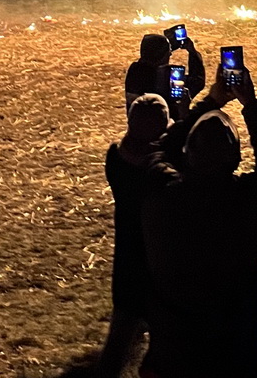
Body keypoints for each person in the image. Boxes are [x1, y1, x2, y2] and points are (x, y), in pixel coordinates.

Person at [141, 60, 257, 378]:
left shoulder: (163, 191)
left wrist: (209, 102)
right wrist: (251, 105)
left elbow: (158, 149)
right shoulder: (245, 198)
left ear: (186, 154)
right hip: (232, 339)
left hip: (175, 338)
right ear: (236, 158)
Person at [98, 93, 170, 378]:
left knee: (120, 332)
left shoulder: (116, 157)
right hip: (159, 259)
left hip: (127, 259)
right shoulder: (162, 168)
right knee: (165, 337)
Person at [124, 32, 205, 119]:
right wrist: (192, 52)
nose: (170, 54)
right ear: (162, 55)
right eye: (169, 51)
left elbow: (149, 59)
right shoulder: (166, 77)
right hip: (167, 128)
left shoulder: (134, 72)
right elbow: (197, 81)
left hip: (140, 128)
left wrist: (163, 47)